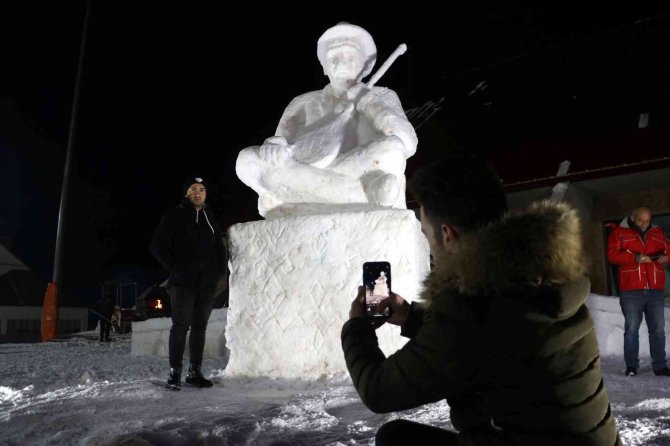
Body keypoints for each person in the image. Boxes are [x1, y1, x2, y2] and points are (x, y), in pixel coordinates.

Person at [341, 154, 621, 445]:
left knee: (395, 438)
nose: (431, 249)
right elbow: (490, 338)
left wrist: (357, 326)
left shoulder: (471, 304)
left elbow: (379, 391)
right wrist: (410, 317)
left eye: (427, 235)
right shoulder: (542, 275)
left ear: (448, 235)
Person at [236, 22, 417, 217]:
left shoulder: (382, 96)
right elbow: (280, 140)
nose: (341, 64)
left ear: (365, 65)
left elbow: (406, 143)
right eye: (334, 58)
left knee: (393, 149)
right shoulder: (303, 102)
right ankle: (360, 196)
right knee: (247, 159)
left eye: (350, 57)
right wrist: (274, 143)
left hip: (355, 168)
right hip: (305, 165)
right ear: (324, 67)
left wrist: (369, 101)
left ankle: (295, 197)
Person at [151, 176, 226, 390]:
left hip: (206, 285)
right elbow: (157, 246)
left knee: (200, 327)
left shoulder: (210, 217)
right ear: (186, 193)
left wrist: (218, 272)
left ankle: (195, 372)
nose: (198, 192)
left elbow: (219, 248)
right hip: (183, 283)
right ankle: (175, 373)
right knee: (180, 327)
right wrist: (177, 269)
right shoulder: (174, 215)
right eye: (193, 189)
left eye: (201, 189)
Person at [607, 206, 670, 377]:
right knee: (632, 329)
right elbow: (612, 255)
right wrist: (635, 258)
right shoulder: (619, 233)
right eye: (641, 220)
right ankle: (632, 367)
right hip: (631, 290)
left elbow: (668, 251)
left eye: (648, 221)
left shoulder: (658, 233)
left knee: (657, 329)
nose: (644, 224)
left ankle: (659, 366)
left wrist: (665, 258)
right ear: (632, 218)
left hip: (655, 290)